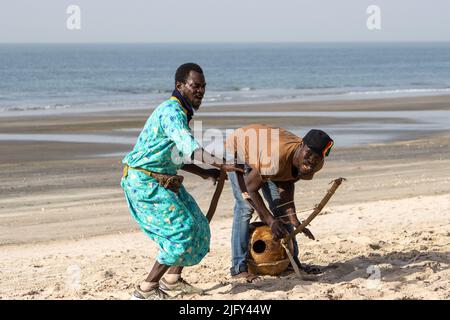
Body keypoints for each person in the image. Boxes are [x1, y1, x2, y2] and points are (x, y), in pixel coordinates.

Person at [121, 63, 241, 299]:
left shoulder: (182, 113)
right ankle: (145, 290)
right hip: (144, 182)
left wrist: (206, 172)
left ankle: (172, 281)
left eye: (203, 87)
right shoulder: (172, 112)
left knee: (198, 227)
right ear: (179, 86)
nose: (201, 91)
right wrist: (221, 164)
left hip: (165, 179)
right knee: (181, 232)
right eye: (195, 86)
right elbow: (190, 148)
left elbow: (176, 155)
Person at [225, 124, 334, 281]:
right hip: (240, 150)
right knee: (244, 208)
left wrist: (293, 219)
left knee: (281, 210)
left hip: (265, 155)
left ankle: (292, 261)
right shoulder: (276, 157)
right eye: (308, 154)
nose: (311, 161)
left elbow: (287, 181)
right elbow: (249, 188)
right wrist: (269, 221)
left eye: (316, 158)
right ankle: (238, 268)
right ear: (301, 145)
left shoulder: (314, 164)